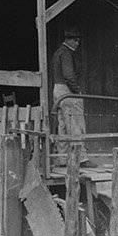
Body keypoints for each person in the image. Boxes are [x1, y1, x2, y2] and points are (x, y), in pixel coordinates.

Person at [51, 29, 86, 164]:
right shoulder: (66, 53)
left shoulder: (57, 52)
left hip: (57, 90)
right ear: (68, 40)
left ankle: (63, 158)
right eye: (75, 40)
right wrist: (77, 91)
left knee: (63, 125)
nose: (77, 43)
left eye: (78, 40)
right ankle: (81, 158)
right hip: (67, 91)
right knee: (76, 122)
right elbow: (68, 76)